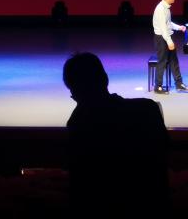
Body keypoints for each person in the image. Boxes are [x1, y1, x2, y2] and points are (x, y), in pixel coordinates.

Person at [63, 52, 170, 213]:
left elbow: (80, 180)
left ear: (74, 91)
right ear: (105, 79)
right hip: (152, 205)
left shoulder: (78, 123)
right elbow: (165, 153)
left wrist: (81, 107)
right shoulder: (148, 109)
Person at [152, 0, 188, 93]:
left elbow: (168, 23)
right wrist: (169, 41)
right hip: (162, 38)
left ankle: (179, 83)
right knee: (162, 61)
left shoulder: (166, 7)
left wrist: (179, 27)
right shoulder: (160, 9)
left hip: (167, 36)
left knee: (174, 61)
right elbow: (163, 28)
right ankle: (158, 86)